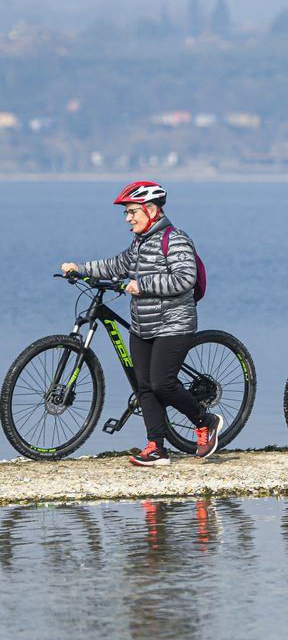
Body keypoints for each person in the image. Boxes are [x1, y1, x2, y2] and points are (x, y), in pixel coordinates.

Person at [61, 181, 223, 468]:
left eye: (132, 212)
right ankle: (156, 448)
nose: (128, 218)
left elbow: (185, 278)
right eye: (126, 213)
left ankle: (205, 420)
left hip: (175, 323)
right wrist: (80, 268)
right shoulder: (140, 242)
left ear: (151, 209)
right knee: (144, 385)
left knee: (163, 383)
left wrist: (143, 285)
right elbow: (117, 265)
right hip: (143, 324)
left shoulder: (175, 239)